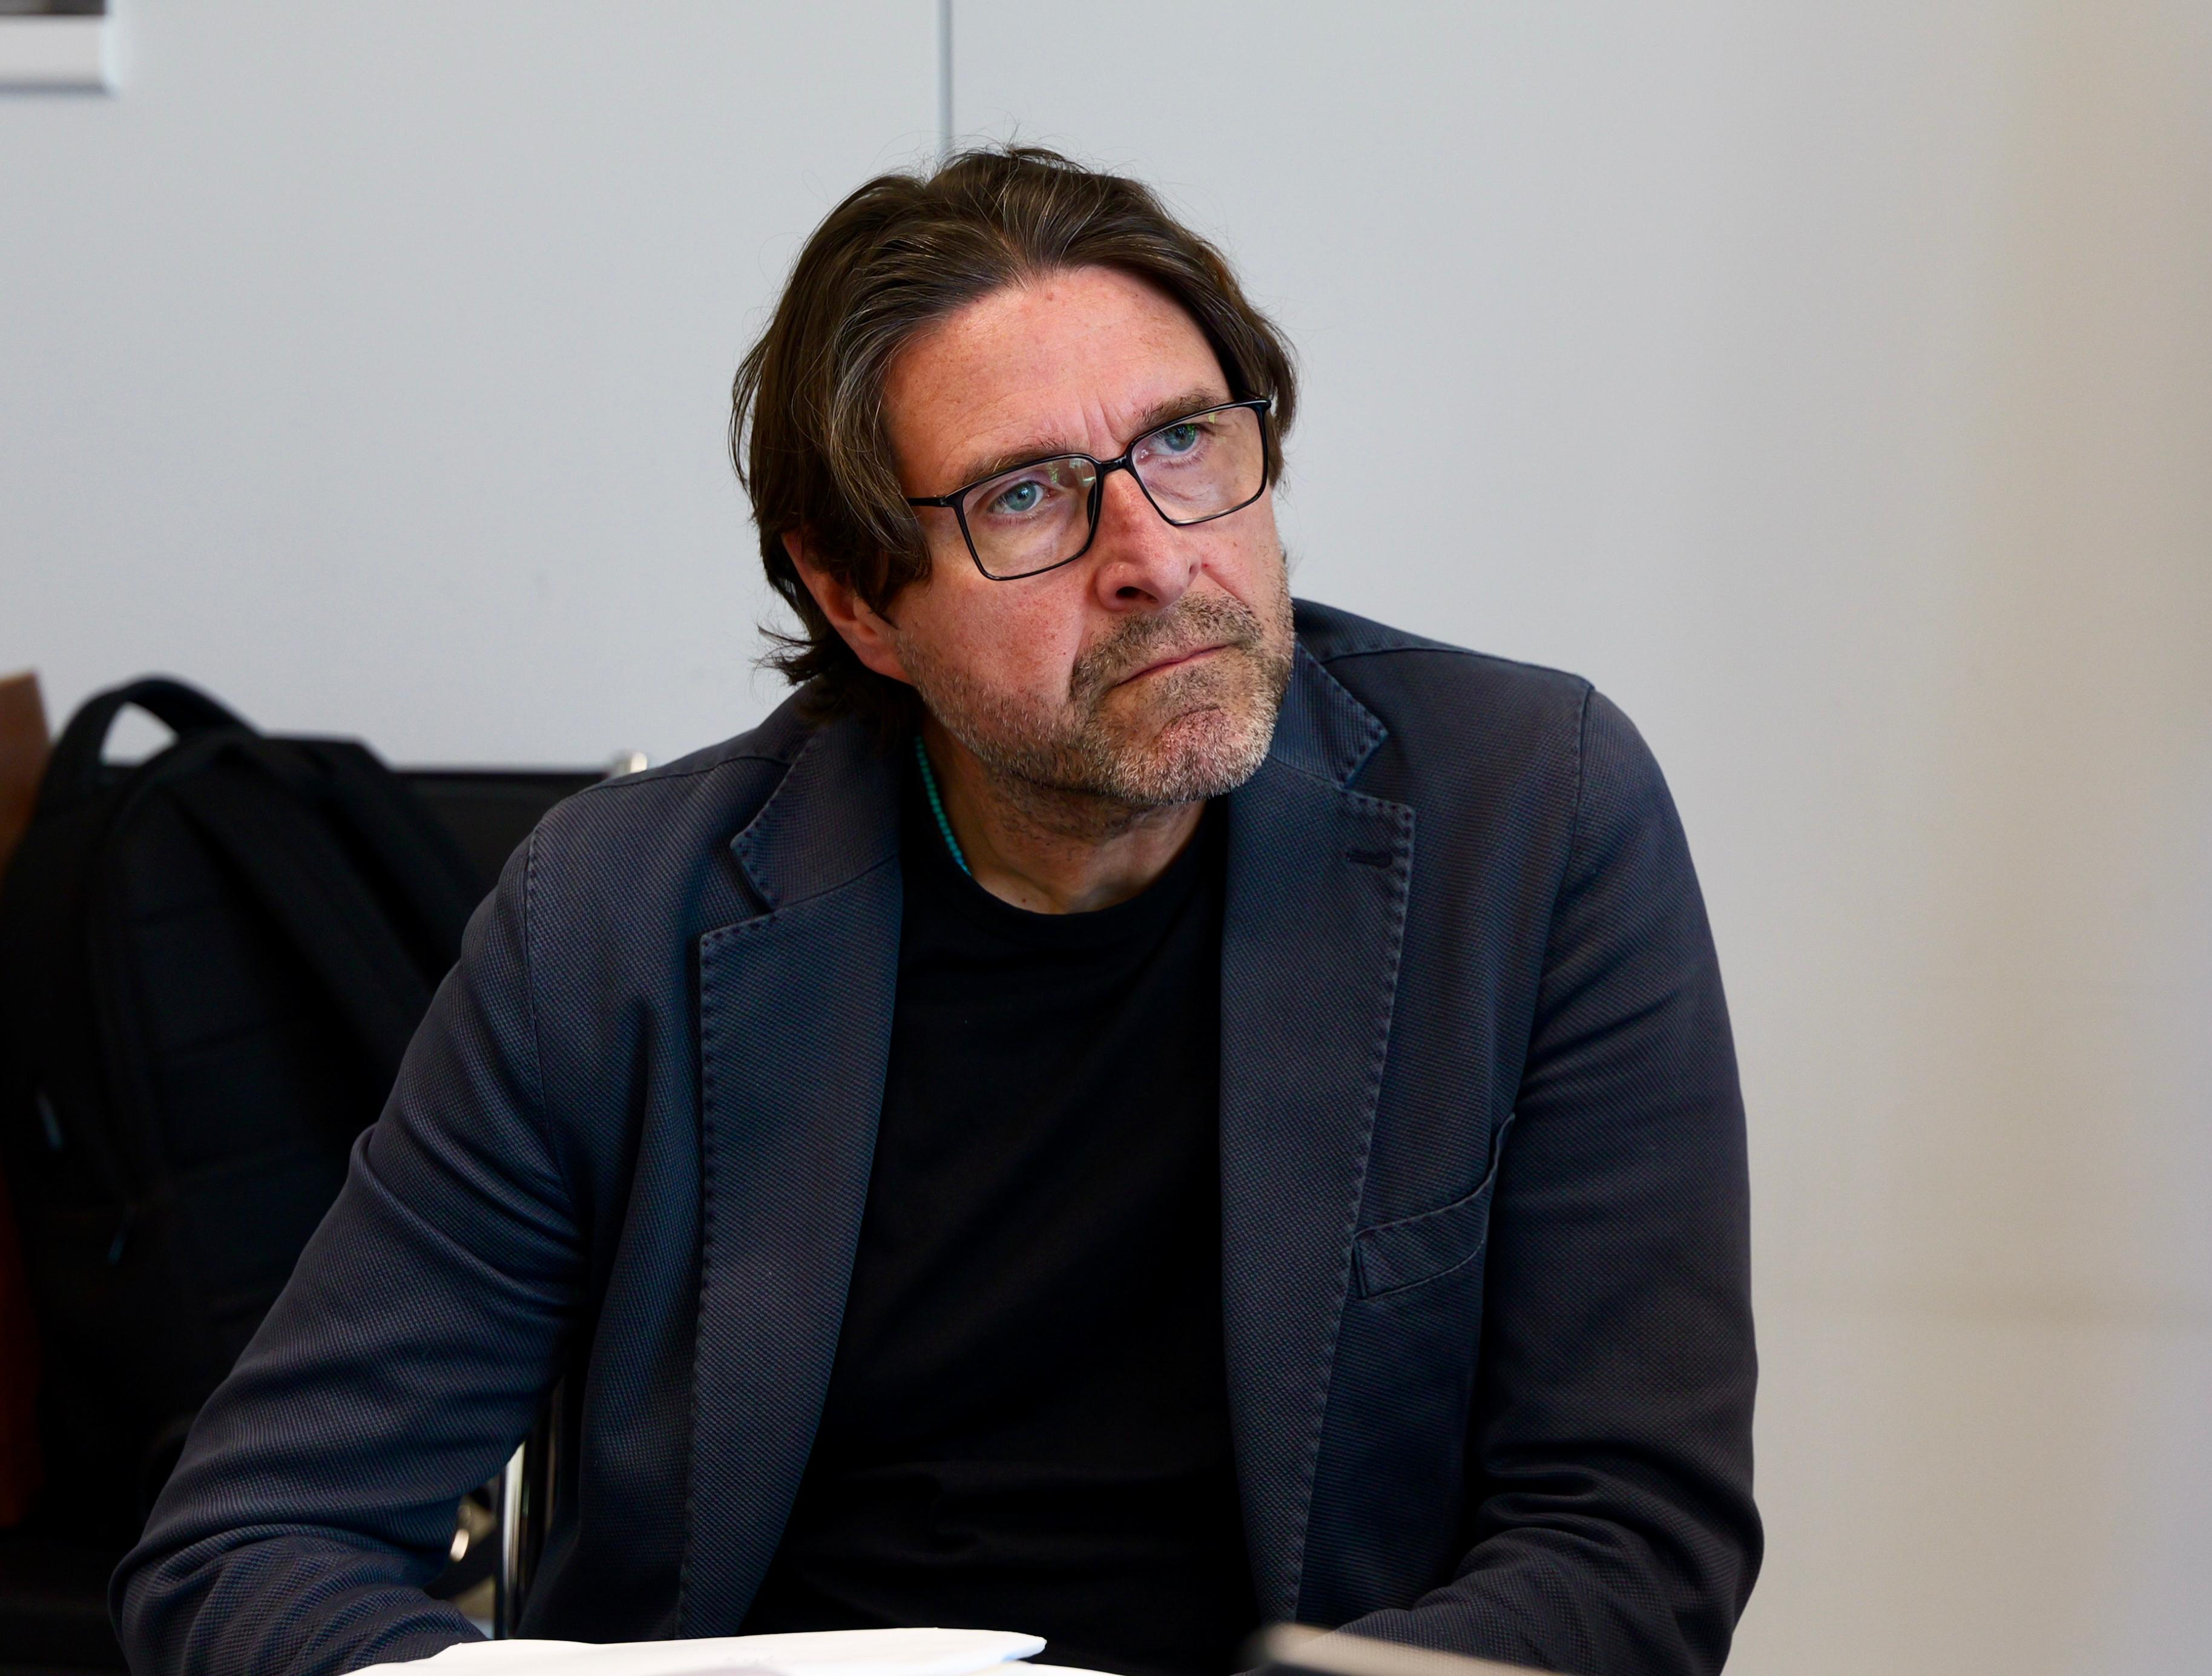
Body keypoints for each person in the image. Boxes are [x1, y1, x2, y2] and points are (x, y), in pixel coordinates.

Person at [111, 147, 1760, 1676]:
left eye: (1186, 442)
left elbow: (1630, 1535)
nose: (1155, 556)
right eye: (1026, 495)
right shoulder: (610, 919)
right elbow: (249, 1544)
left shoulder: (1526, 818)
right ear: (857, 601)